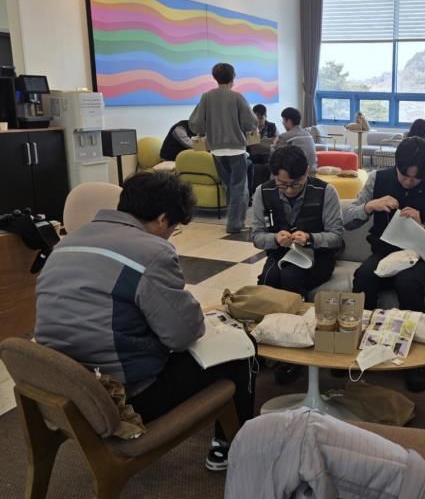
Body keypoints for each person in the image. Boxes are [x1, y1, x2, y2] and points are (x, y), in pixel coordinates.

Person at [34, 173, 256, 472]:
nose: (170, 236)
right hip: (123, 399)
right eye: (174, 229)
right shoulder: (151, 252)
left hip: (62, 388)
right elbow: (182, 335)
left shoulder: (67, 243)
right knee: (240, 348)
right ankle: (232, 445)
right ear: (163, 219)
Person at [344, 137, 425, 392]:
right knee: (364, 276)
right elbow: (347, 220)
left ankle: (415, 360)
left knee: (408, 281)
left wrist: (424, 226)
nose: (408, 182)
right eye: (403, 176)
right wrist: (368, 207)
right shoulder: (377, 179)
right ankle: (356, 345)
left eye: (416, 179)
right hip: (386, 253)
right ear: (396, 165)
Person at [252, 144, 343, 298]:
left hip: (317, 257)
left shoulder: (325, 191)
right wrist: (275, 239)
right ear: (274, 175)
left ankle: (297, 313)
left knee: (291, 277)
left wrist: (310, 238)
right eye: (282, 184)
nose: (289, 190)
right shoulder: (263, 192)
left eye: (295, 184)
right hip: (279, 254)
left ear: (306, 171)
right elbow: (256, 237)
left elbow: (336, 236)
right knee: (268, 280)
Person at [189, 62, 257, 234]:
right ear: (233, 77)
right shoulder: (237, 97)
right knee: (240, 188)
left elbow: (196, 123)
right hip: (236, 148)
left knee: (229, 186)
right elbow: (250, 122)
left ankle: (232, 220)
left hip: (216, 150)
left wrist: (204, 131)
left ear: (215, 77)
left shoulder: (206, 97)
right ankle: (235, 224)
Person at [273, 107, 317, 173]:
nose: (283, 123)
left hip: (295, 174)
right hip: (311, 171)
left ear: (289, 121)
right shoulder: (308, 135)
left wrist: (274, 145)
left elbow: (276, 157)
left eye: (283, 120)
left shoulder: (284, 136)